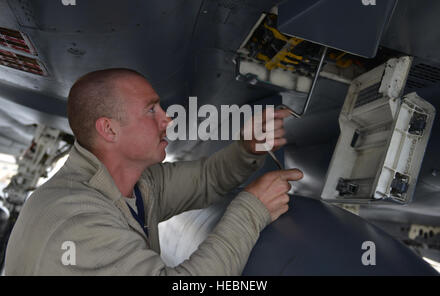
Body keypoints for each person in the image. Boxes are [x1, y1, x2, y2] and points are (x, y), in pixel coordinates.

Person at [5, 68, 303, 275]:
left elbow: (206, 179)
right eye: (151, 110)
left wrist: (247, 149)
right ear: (109, 129)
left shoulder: (133, 183)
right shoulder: (79, 220)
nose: (168, 119)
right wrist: (251, 210)